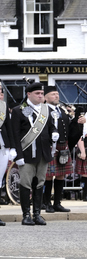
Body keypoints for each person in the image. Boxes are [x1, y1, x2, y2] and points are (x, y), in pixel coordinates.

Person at [10, 82, 58, 225]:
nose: (40, 96)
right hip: (26, 154)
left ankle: (37, 214)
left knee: (39, 184)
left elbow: (51, 126)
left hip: (43, 153)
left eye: (42, 94)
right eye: (37, 93)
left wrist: (54, 133)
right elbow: (15, 134)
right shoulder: (20, 110)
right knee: (25, 184)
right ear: (28, 94)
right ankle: (26, 215)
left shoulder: (46, 109)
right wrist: (17, 154)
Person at [42, 86, 81, 213]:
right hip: (49, 147)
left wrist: (77, 121)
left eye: (57, 94)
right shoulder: (43, 110)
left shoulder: (61, 111)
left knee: (60, 175)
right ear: (45, 97)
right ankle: (46, 203)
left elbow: (68, 128)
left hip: (62, 146)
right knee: (48, 176)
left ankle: (57, 203)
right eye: (53, 94)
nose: (56, 96)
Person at [0, 90, 15, 226]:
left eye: (1, 92)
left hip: (3, 148)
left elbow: (9, 128)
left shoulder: (4, 107)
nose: (0, 94)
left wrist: (12, 147)